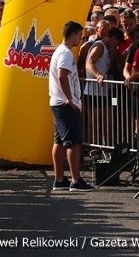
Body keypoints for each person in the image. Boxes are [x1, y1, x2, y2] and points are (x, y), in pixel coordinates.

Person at [48, 21, 94, 191]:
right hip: (64, 103)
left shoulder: (61, 52)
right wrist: (70, 99)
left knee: (59, 142)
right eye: (80, 36)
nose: (81, 40)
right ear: (73, 34)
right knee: (73, 142)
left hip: (59, 102)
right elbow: (62, 76)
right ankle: (76, 180)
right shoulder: (65, 53)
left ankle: (60, 179)